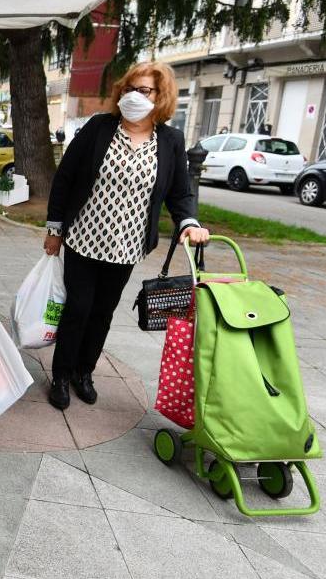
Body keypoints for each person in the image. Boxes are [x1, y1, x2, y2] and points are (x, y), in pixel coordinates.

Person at [44, 61, 211, 409]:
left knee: (103, 312)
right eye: (129, 89)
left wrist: (189, 223)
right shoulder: (99, 128)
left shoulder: (170, 141)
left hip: (127, 246)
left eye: (144, 90)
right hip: (84, 237)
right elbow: (65, 178)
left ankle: (83, 372)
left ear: (160, 95)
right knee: (78, 308)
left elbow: (180, 193)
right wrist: (55, 229)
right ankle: (61, 375)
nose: (134, 96)